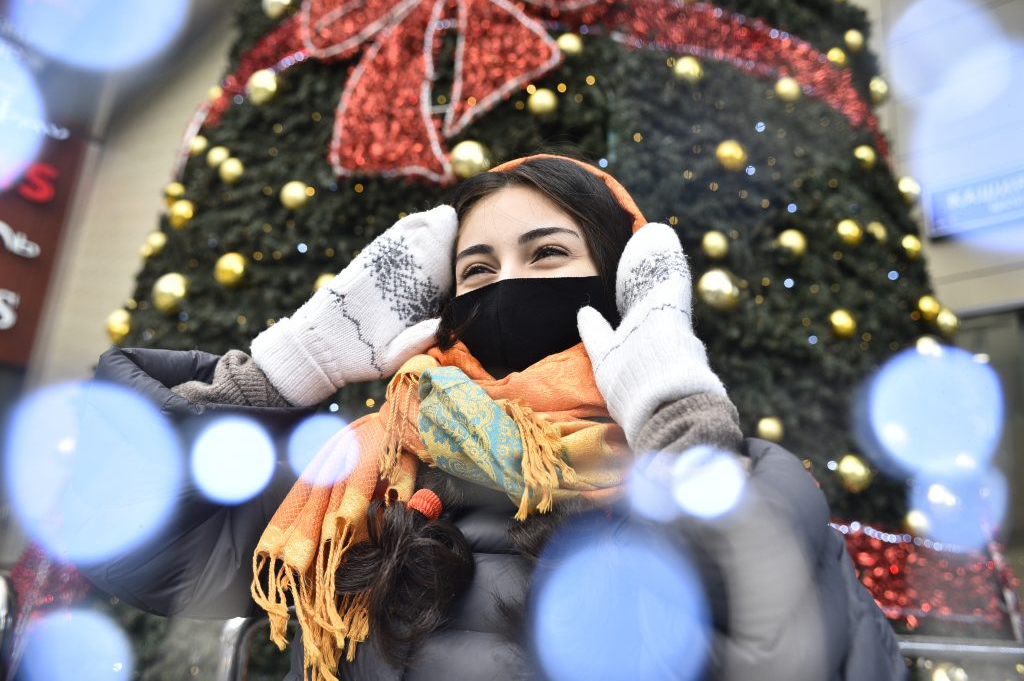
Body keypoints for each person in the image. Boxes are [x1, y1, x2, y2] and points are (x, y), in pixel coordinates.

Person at [86, 154, 905, 680]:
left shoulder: (750, 482)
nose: (505, 285)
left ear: (623, 294)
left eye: (548, 254)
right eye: (477, 268)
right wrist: (284, 369)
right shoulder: (364, 485)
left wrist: (678, 423)